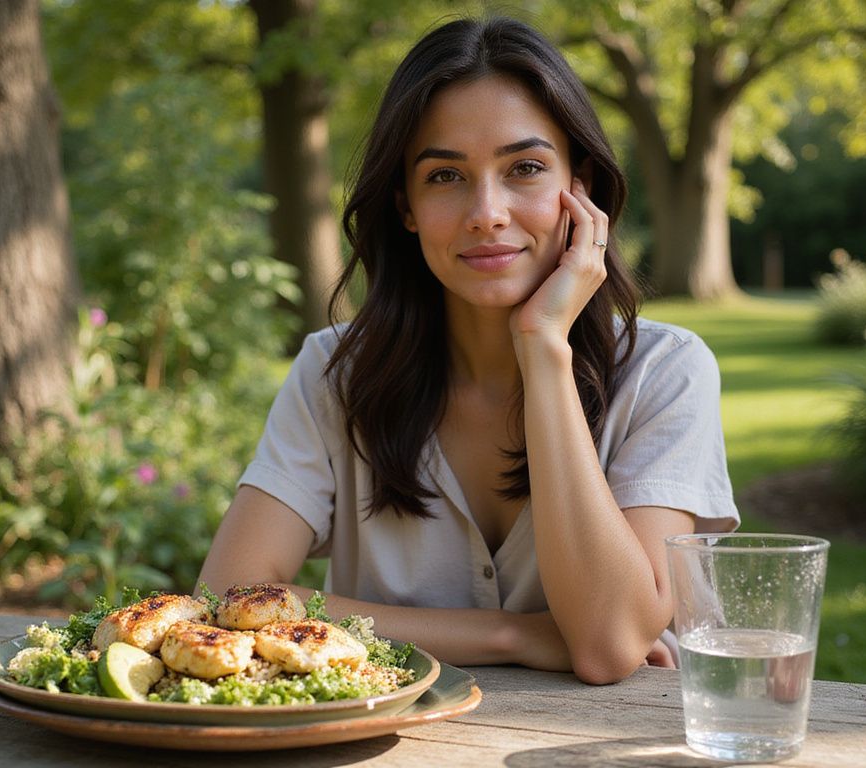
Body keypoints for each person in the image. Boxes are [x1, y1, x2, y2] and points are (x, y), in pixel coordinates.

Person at [197, 16, 738, 684]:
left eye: (526, 169)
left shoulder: (666, 372)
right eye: (446, 176)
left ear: (584, 187)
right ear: (406, 206)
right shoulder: (334, 373)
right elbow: (225, 601)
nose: (487, 211)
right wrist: (512, 635)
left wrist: (543, 347)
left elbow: (607, 645)